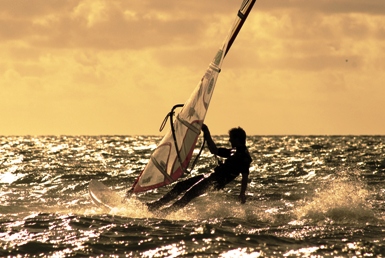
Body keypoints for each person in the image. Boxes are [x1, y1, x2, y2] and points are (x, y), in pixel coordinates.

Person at [146, 124, 252, 214]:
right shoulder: (234, 151)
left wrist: (242, 193)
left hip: (214, 182)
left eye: (231, 138)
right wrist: (206, 131)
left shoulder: (244, 157)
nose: (229, 140)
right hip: (210, 176)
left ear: (237, 139)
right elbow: (214, 150)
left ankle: (165, 212)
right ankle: (156, 205)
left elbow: (245, 176)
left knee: (189, 195)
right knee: (181, 186)